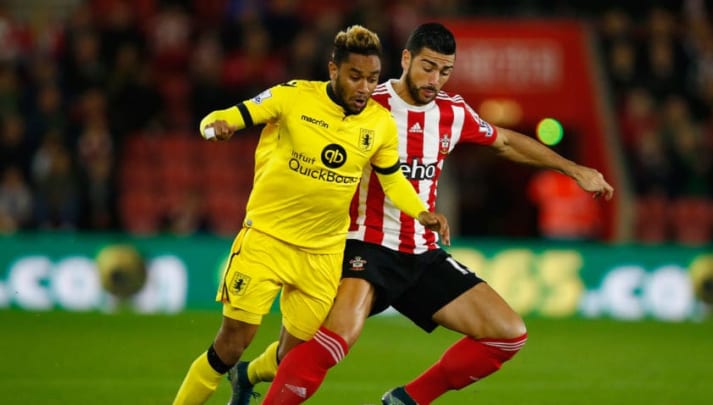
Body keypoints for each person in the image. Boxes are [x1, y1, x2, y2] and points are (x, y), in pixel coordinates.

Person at [227, 22, 615, 405]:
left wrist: (574, 169)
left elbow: (506, 141)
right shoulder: (366, 103)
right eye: (428, 67)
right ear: (406, 58)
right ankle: (253, 377)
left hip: (421, 252)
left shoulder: (452, 111)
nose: (436, 79)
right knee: (333, 340)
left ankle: (405, 400)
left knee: (508, 333)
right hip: (363, 244)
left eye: (445, 71)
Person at [171, 24, 449, 405]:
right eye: (355, 77)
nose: (365, 88)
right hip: (267, 240)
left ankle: (246, 377)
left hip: (322, 255)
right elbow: (230, 114)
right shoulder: (293, 97)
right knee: (231, 344)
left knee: (294, 357)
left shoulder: (378, 123)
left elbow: (393, 180)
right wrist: (215, 126)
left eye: (372, 78)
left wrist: (422, 212)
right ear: (333, 70)